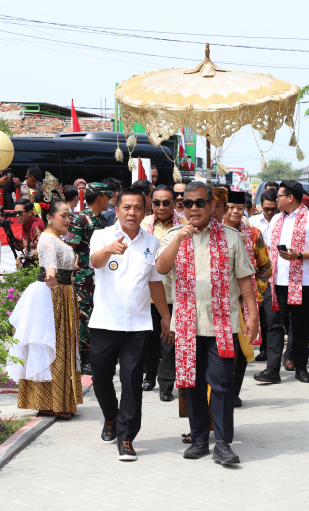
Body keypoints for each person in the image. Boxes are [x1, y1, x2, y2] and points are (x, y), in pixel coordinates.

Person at [156, 181, 258, 465]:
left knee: (223, 383)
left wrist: (252, 314)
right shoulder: (174, 235)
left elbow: (244, 278)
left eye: (200, 203)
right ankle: (199, 439)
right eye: (187, 203)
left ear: (212, 206)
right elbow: (161, 267)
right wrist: (179, 239)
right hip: (187, 324)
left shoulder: (231, 237)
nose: (193, 208)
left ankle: (223, 443)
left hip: (222, 324)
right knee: (193, 384)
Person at [89, 187, 171, 461]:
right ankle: (110, 416)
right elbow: (95, 261)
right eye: (127, 207)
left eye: (138, 207)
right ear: (117, 209)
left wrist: (165, 317)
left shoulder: (151, 242)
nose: (132, 213)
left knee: (132, 381)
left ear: (145, 211)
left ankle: (126, 438)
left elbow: (155, 282)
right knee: (101, 377)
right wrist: (109, 249)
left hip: (137, 325)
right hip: (104, 322)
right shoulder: (102, 236)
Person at [8, 175, 83, 421]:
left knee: (58, 346)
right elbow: (49, 265)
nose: (68, 220)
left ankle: (52, 401)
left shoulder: (56, 238)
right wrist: (51, 276)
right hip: (54, 296)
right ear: (50, 217)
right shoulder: (48, 239)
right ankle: (53, 402)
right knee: (54, 346)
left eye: (69, 216)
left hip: (61, 294)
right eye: (64, 215)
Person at [255, 180, 309, 384]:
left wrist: (299, 255)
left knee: (300, 327)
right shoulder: (277, 219)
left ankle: (301, 368)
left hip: (303, 283)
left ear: (290, 197)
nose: (276, 199)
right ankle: (272, 369)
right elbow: (269, 247)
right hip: (276, 282)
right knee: (274, 325)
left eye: (279, 195)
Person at [224, 190, 271, 407]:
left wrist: (256, 293)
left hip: (244, 302)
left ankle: (234, 392)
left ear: (246, 210)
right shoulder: (214, 232)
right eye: (230, 207)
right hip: (220, 299)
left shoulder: (253, 234)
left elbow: (265, 266)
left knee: (242, 349)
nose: (235, 211)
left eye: (239, 208)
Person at [140, 185, 186, 401]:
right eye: (156, 202)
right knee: (148, 341)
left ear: (174, 203)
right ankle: (149, 375)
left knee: (169, 341)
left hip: (174, 293)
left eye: (166, 203)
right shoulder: (142, 225)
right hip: (146, 294)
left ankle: (166, 384)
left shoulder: (184, 226)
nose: (161, 207)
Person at [67, 183, 111, 375]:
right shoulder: (81, 219)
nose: (109, 201)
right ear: (99, 198)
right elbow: (71, 247)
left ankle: (96, 355)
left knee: (98, 312)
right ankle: (84, 358)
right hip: (84, 277)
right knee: (84, 316)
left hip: (99, 274)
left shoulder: (101, 219)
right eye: (107, 197)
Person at [248, 188, 278, 361]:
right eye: (267, 209)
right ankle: (261, 348)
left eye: (273, 209)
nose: (270, 212)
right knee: (258, 313)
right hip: (255, 274)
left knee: (270, 315)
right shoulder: (252, 223)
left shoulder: (281, 221)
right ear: (261, 206)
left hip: (273, 273)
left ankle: (268, 349)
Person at [4, 199, 45, 269]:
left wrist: (21, 257)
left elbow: (42, 251)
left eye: (20, 213)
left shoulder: (36, 227)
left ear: (29, 213)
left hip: (39, 267)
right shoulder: (26, 225)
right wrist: (9, 232)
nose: (17, 215)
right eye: (15, 213)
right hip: (32, 264)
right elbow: (20, 247)